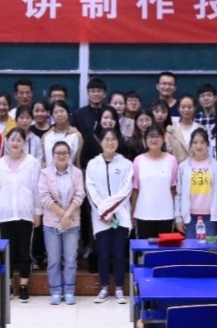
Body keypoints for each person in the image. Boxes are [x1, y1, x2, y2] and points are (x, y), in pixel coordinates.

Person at [0, 128, 42, 303]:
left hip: (25, 213)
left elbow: (36, 188)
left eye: (19, 140)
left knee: (24, 251)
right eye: (12, 139)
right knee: (8, 252)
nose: (15, 143)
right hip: (5, 214)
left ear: (24, 142)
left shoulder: (32, 162)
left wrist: (38, 211)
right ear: (6, 141)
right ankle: (8, 285)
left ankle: (23, 285)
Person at [86, 127, 132, 304]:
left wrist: (109, 211)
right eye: (106, 139)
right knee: (103, 254)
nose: (110, 142)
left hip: (121, 216)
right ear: (101, 142)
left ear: (118, 142)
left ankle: (119, 288)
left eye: (113, 139)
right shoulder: (93, 164)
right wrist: (104, 213)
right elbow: (91, 191)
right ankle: (104, 288)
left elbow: (126, 191)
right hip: (100, 218)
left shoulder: (126, 164)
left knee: (119, 254)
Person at [39, 141, 85, 306]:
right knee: (54, 260)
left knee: (71, 259)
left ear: (70, 155)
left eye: (65, 153)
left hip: (72, 222)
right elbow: (44, 198)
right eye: (58, 153)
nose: (61, 156)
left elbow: (80, 195)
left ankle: (69, 291)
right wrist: (62, 215)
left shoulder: (77, 173)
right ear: (53, 155)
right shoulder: (45, 173)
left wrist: (67, 215)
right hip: (52, 223)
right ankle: (56, 291)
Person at [130, 125, 179, 239]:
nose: (154, 139)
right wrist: (132, 212)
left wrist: (177, 213)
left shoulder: (171, 160)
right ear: (145, 140)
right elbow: (135, 189)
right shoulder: (138, 160)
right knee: (144, 248)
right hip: (143, 213)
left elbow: (174, 189)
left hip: (166, 213)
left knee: (165, 248)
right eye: (150, 136)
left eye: (157, 136)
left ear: (163, 138)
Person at [174, 128, 217, 238]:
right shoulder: (183, 166)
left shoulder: (215, 166)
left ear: (208, 144)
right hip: (189, 216)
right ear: (191, 144)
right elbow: (179, 193)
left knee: (210, 247)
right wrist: (178, 216)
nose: (199, 146)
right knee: (191, 248)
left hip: (210, 217)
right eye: (195, 142)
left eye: (202, 142)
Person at [74, 77, 108, 153]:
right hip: (84, 154)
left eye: (99, 91)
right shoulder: (79, 114)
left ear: (104, 94)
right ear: (88, 94)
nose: (96, 94)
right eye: (92, 91)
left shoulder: (109, 112)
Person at [43, 100, 82, 165]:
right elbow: (44, 161)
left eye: (62, 111)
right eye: (56, 112)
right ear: (52, 116)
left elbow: (77, 161)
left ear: (68, 113)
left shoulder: (77, 135)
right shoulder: (46, 136)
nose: (59, 115)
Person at [166, 95, 200, 163]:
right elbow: (168, 152)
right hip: (176, 167)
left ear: (195, 108)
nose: (186, 110)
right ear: (178, 108)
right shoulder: (171, 130)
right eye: (183, 107)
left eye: (189, 107)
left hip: (197, 167)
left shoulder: (200, 128)